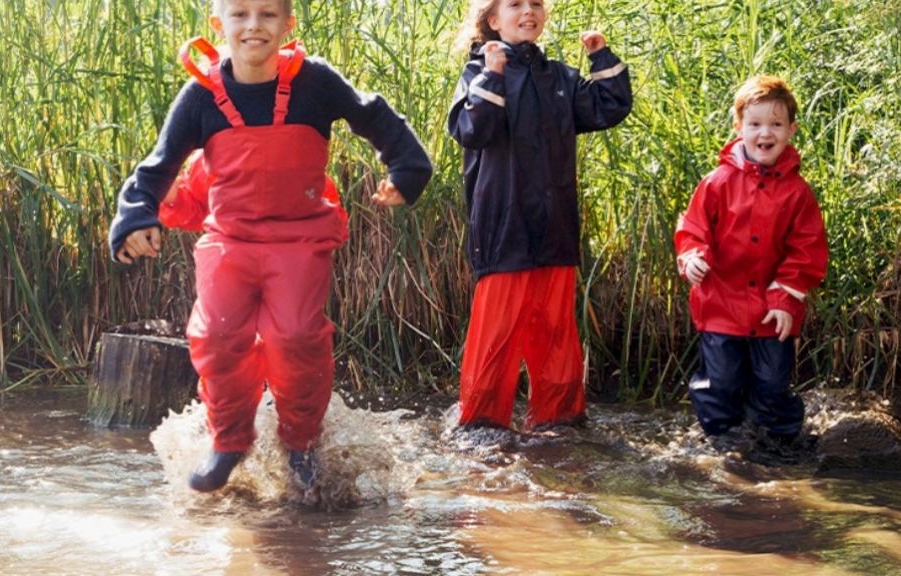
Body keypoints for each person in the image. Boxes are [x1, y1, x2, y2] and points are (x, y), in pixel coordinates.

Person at [108, 0, 432, 492]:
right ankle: (229, 440)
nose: (253, 26)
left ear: (287, 24)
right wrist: (135, 216)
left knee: (297, 337)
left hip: (299, 239)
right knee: (216, 337)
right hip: (229, 241)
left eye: (267, 15)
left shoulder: (316, 82)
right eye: (240, 15)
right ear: (220, 26)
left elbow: (373, 115)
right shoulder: (200, 95)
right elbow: (159, 164)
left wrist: (407, 170)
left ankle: (300, 443)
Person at [447, 0, 632, 431]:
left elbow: (609, 107)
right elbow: (473, 130)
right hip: (503, 228)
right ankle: (481, 430)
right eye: (515, 4)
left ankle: (560, 427)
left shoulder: (560, 77)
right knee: (496, 336)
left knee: (555, 335)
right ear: (493, 20)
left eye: (536, 3)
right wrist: (493, 74)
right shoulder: (478, 73)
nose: (528, 10)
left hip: (554, 228)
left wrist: (600, 56)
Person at [674, 75, 828, 447]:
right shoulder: (717, 182)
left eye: (776, 124)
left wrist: (784, 299)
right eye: (755, 124)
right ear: (738, 126)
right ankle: (721, 441)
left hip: (771, 309)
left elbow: (807, 250)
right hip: (720, 305)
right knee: (721, 381)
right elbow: (692, 229)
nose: (765, 133)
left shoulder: (797, 192)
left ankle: (780, 442)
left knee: (773, 381)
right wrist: (692, 257)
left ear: (791, 130)